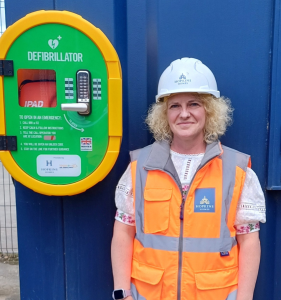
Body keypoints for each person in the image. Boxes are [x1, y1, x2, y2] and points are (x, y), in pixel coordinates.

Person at [111, 57, 266, 300]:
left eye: (194, 104)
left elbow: (249, 241)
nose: (184, 114)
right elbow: (123, 232)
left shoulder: (236, 170)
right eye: (174, 106)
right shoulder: (140, 166)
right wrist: (122, 294)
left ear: (209, 110)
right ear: (164, 113)